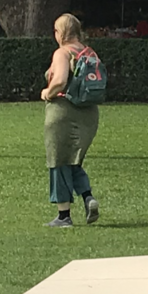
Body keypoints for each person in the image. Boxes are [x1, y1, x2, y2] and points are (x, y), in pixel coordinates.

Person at [41, 13, 101, 228]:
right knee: (73, 160)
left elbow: (60, 80)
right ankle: (88, 197)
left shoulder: (62, 52)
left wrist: (47, 92)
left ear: (61, 33)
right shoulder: (89, 52)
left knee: (57, 161)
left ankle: (63, 215)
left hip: (63, 112)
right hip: (88, 114)